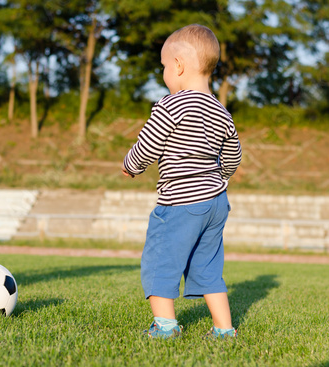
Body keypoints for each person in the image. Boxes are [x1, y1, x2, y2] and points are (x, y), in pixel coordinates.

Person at [122, 24, 242, 339]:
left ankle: (165, 326)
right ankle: (224, 329)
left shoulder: (170, 105)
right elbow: (233, 156)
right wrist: (218, 178)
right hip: (216, 203)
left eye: (163, 66)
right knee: (208, 267)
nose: (164, 73)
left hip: (180, 202)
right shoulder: (221, 111)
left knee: (160, 259)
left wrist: (130, 165)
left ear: (178, 66)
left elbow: (148, 144)